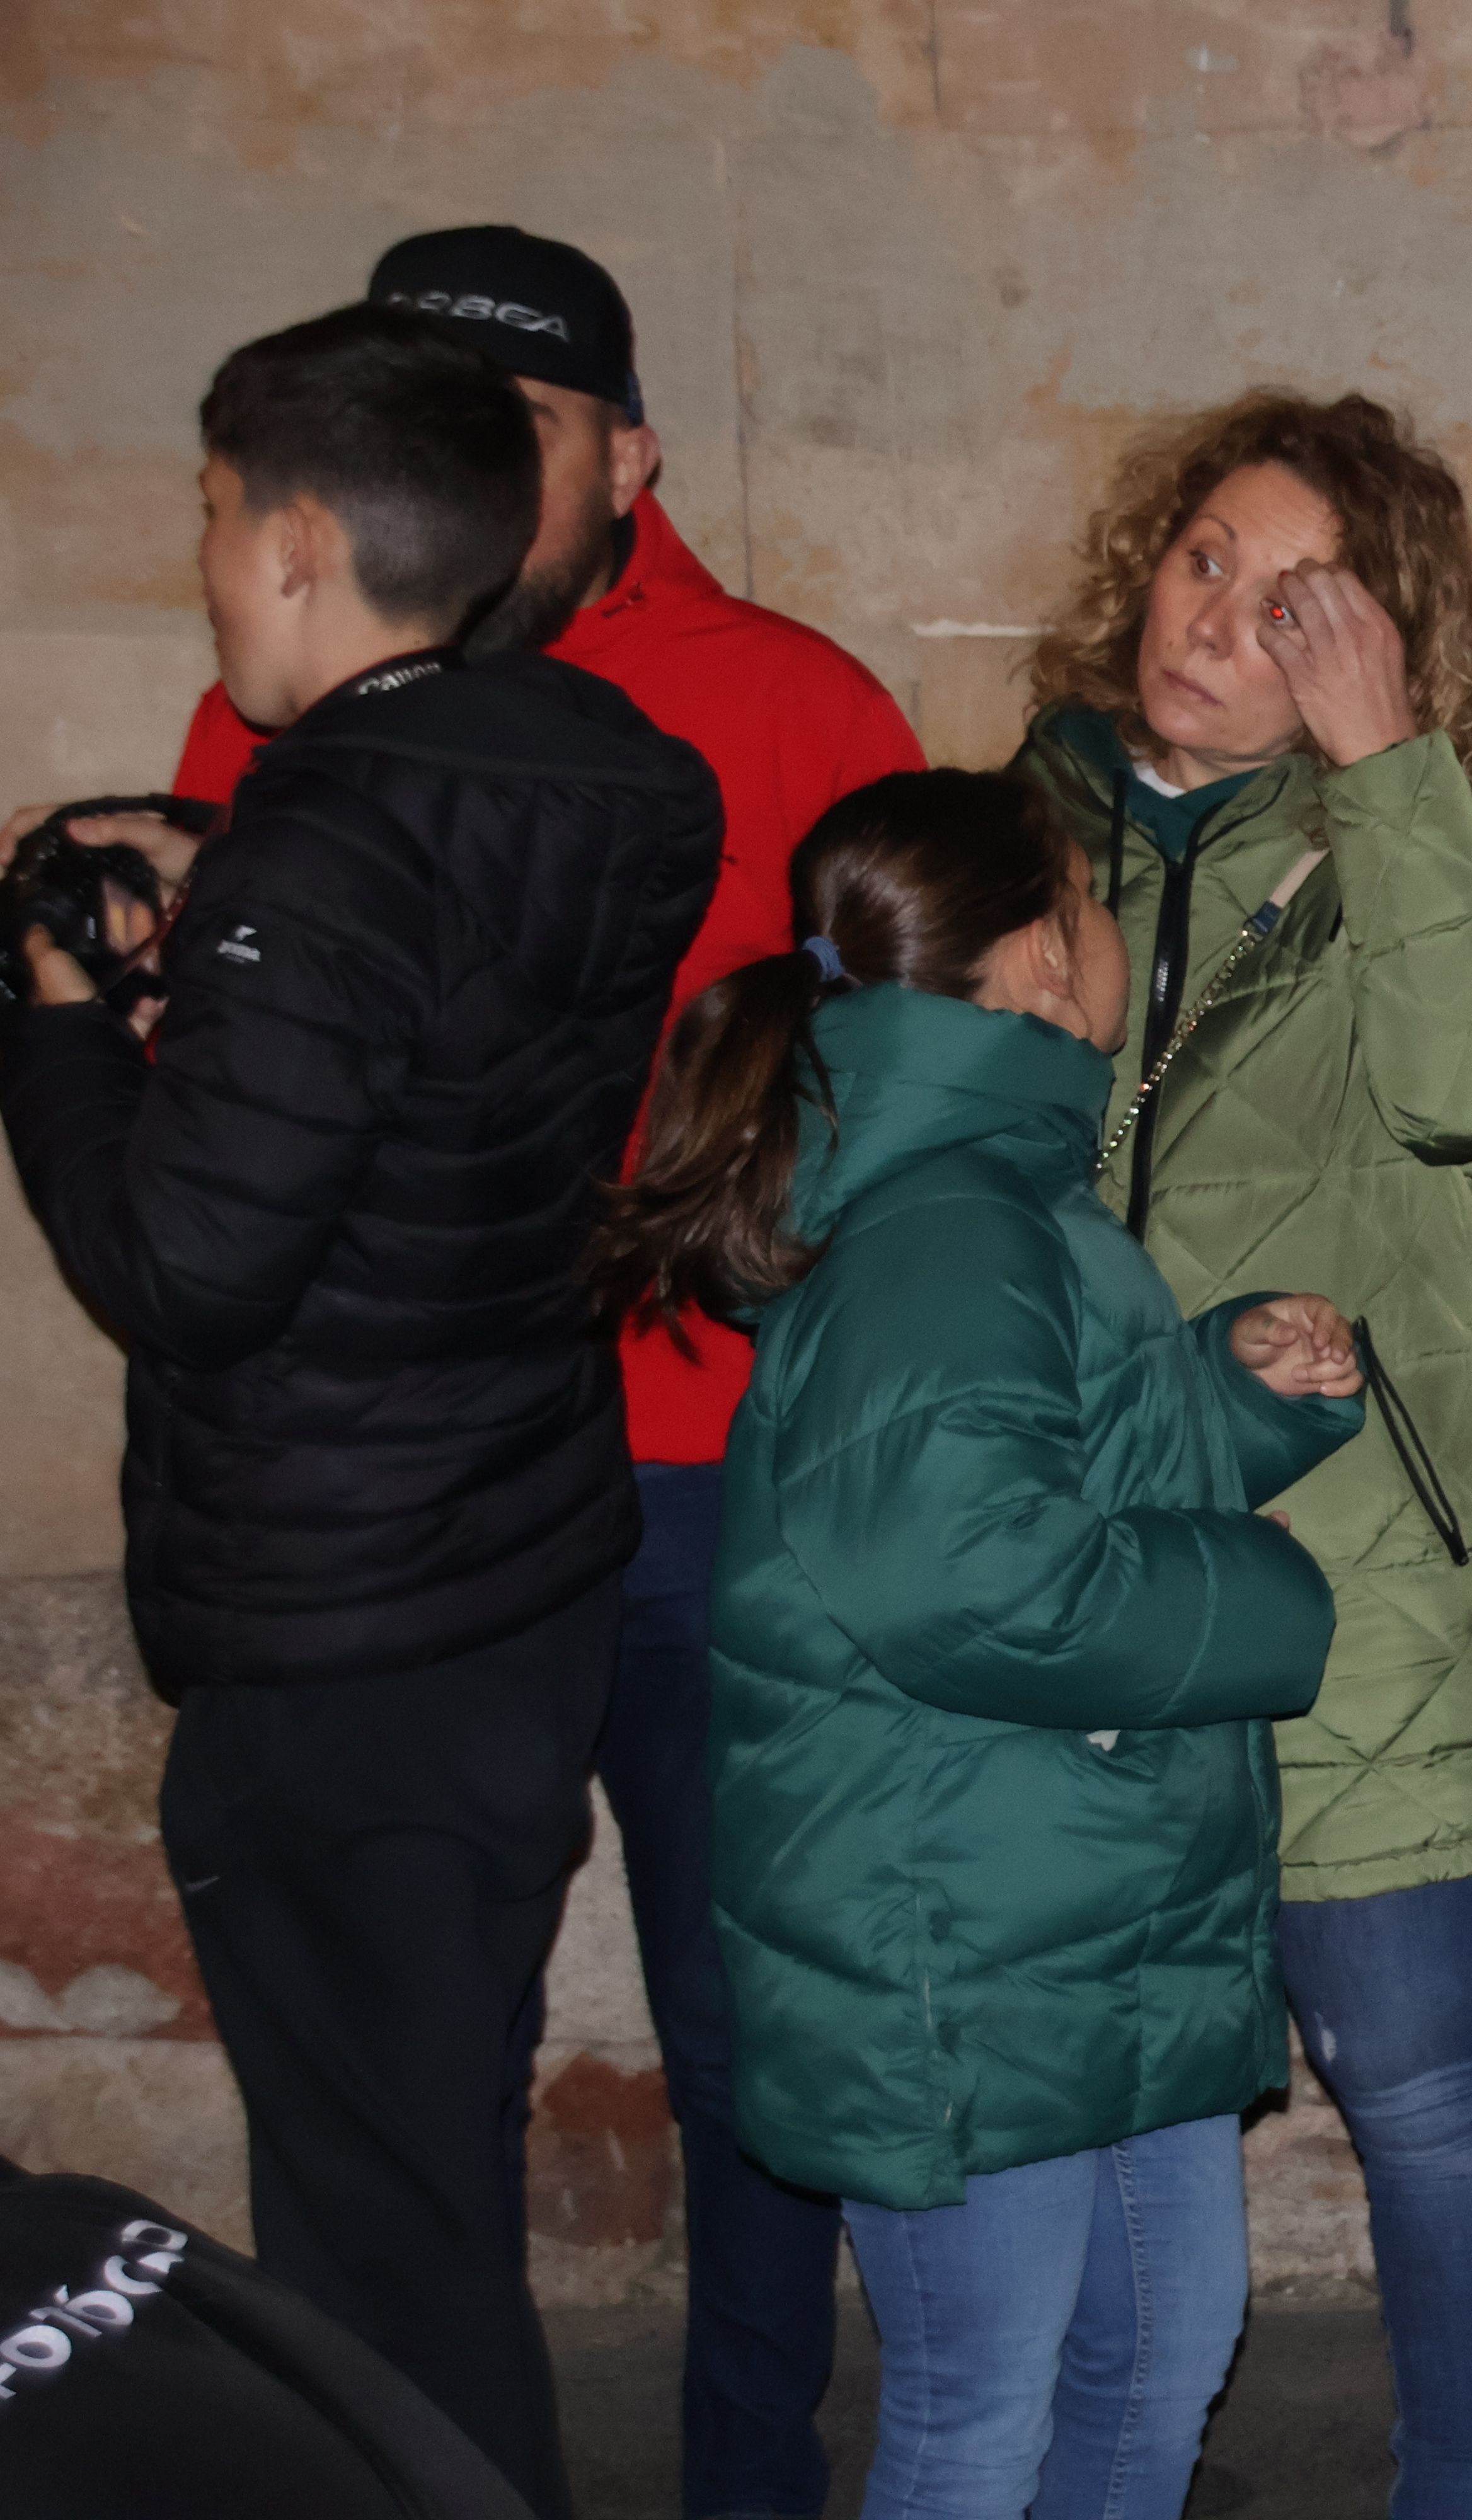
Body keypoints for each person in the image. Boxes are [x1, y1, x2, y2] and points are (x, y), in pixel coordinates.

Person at [78, 226, 926, 2520]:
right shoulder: (297, 735)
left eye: (514, 416)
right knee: (418, 2081)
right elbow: (238, 1061)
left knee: (753, 2036)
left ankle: (753, 2469)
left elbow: (903, 1080)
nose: (462, 447)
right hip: (466, 1479)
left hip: (717, 1478)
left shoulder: (793, 699)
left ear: (625, 448)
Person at [0, 305, 721, 2517]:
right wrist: (231, 909)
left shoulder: (317, 842)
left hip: (339, 1629)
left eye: (216, 522)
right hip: (517, 1580)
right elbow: (448, 1033)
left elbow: (186, 1272)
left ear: (303, 543)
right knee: (432, 2180)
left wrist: (53, 1013)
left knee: (379, 2242)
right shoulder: (627, 782)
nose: (209, 566)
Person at [589, 767, 1362, 2520]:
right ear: (1031, 961)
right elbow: (973, 1579)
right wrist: (1267, 1599)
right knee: (978, 2416)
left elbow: (1042, 1481)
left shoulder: (995, 1201)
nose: (1113, 934)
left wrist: (1231, 1403)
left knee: (1158, 2357)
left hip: (1079, 1907)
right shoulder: (951, 1231)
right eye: (1095, 904)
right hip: (971, 1935)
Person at [1009, 390, 1472, 2518]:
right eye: (1201, 562)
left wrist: (1390, 768)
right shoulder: (1018, 832)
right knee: (1101, 2095)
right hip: (1086, 1570)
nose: (1217, 621)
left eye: (1291, 601)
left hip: (1366, 1589)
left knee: (1423, 2085)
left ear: (1375, 635)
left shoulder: (1427, 829)